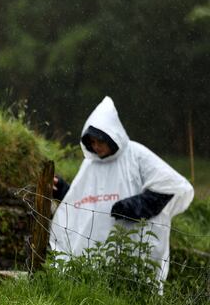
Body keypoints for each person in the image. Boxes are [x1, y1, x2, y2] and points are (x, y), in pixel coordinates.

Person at [48, 96, 193, 285]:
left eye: (99, 141)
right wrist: (63, 190)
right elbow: (83, 201)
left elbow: (171, 186)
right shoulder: (90, 165)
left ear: (112, 136)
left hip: (132, 254)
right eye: (91, 142)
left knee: (131, 286)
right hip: (93, 263)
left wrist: (136, 206)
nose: (95, 146)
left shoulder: (136, 155)